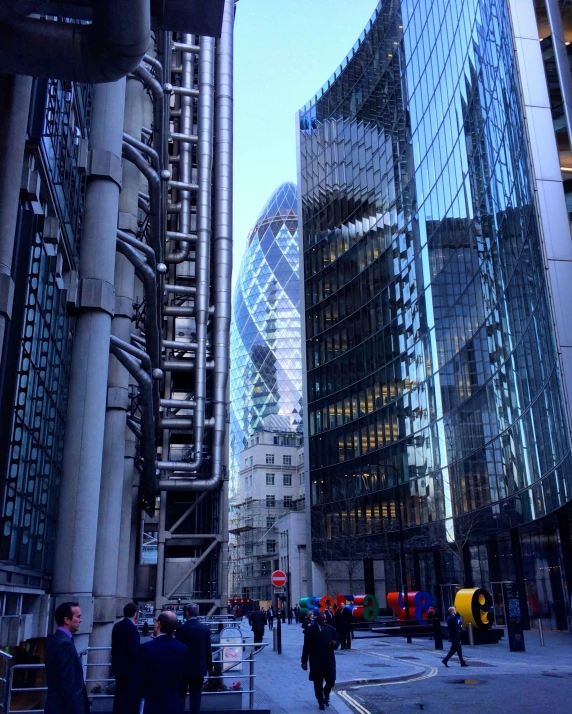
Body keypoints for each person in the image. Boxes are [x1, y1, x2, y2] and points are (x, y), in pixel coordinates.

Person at [139, 610, 191, 714]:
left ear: (159, 624)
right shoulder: (183, 648)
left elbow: (140, 677)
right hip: (174, 703)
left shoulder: (146, 648)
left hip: (152, 702)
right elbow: (185, 678)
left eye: (155, 621)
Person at [44, 601, 89, 714]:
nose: (80, 620)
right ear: (67, 620)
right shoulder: (64, 644)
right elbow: (67, 684)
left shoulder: (57, 640)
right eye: (78, 616)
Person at [175, 602, 213, 714]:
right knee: (196, 696)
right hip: (199, 667)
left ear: (187, 613)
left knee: (180, 695)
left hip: (183, 668)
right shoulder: (204, 628)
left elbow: (177, 648)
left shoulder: (181, 628)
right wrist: (209, 666)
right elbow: (208, 649)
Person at [301, 612, 340, 711]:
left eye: (325, 620)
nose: (324, 621)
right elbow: (306, 646)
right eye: (322, 620)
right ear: (317, 620)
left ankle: (326, 693)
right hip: (316, 660)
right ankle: (321, 701)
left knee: (331, 680)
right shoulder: (310, 630)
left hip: (329, 659)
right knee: (317, 682)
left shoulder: (330, 629)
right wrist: (304, 661)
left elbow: (337, 640)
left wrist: (334, 643)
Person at [111, 602, 141, 714]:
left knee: (119, 695)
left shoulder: (117, 626)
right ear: (134, 613)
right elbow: (134, 649)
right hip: (129, 668)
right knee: (128, 697)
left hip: (118, 666)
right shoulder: (132, 628)